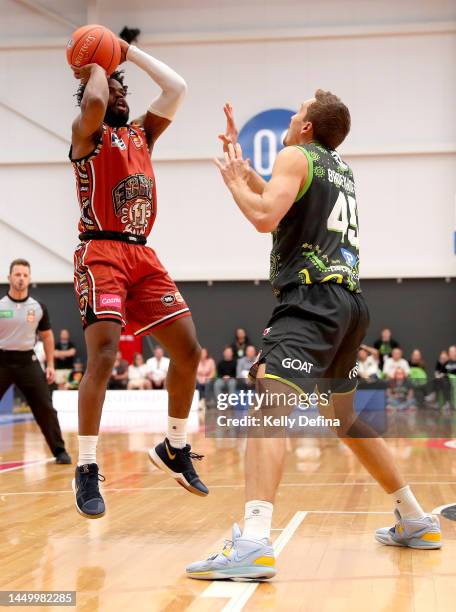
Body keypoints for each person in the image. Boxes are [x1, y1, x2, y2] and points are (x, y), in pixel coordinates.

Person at [187, 95, 440, 580]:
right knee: (344, 420)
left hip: (310, 303)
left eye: (294, 114)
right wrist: (246, 177)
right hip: (349, 306)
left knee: (267, 410)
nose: (288, 120)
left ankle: (255, 542)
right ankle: (414, 517)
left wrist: (232, 184)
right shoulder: (338, 167)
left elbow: (263, 217)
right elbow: (282, 207)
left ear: (305, 127)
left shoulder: (294, 155)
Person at [70, 37, 207, 519]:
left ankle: (173, 446)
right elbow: (94, 102)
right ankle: (86, 467)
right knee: (104, 355)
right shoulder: (86, 133)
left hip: (142, 255)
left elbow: (177, 87)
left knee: (189, 349)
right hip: (101, 250)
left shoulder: (141, 135)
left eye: (124, 88)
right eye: (115, 88)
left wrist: (125, 53)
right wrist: (96, 68)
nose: (120, 96)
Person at [0, 259, 71, 464]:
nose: (21, 278)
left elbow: (47, 337)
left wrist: (50, 365)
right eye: (17, 274)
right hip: (2, 360)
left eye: (24, 275)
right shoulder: (1, 306)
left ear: (29, 279)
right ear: (9, 278)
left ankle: (59, 451)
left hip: (27, 361)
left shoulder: (38, 307)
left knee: (45, 407)